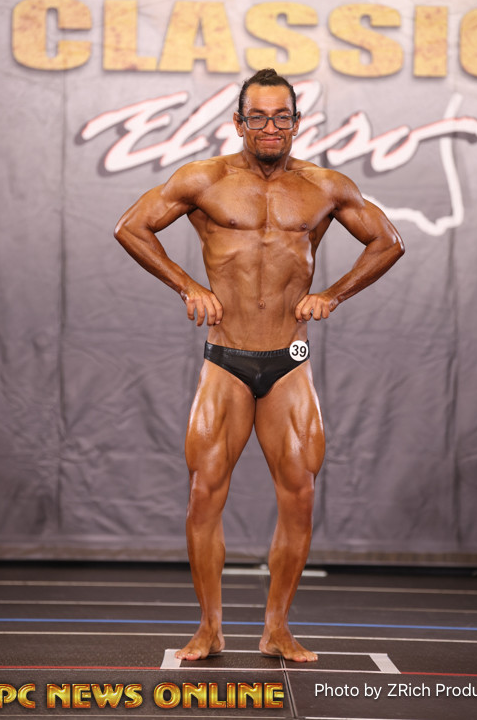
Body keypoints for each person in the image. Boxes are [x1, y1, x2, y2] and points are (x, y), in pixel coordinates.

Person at [114, 68, 404, 662]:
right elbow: (131, 227)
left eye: (281, 116)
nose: (270, 126)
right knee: (204, 493)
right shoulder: (204, 179)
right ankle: (209, 628)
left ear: (297, 122)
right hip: (226, 357)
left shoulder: (325, 186)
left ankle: (277, 628)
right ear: (239, 122)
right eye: (258, 117)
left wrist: (334, 295)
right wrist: (187, 285)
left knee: (299, 494)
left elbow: (388, 241)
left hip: (289, 360)